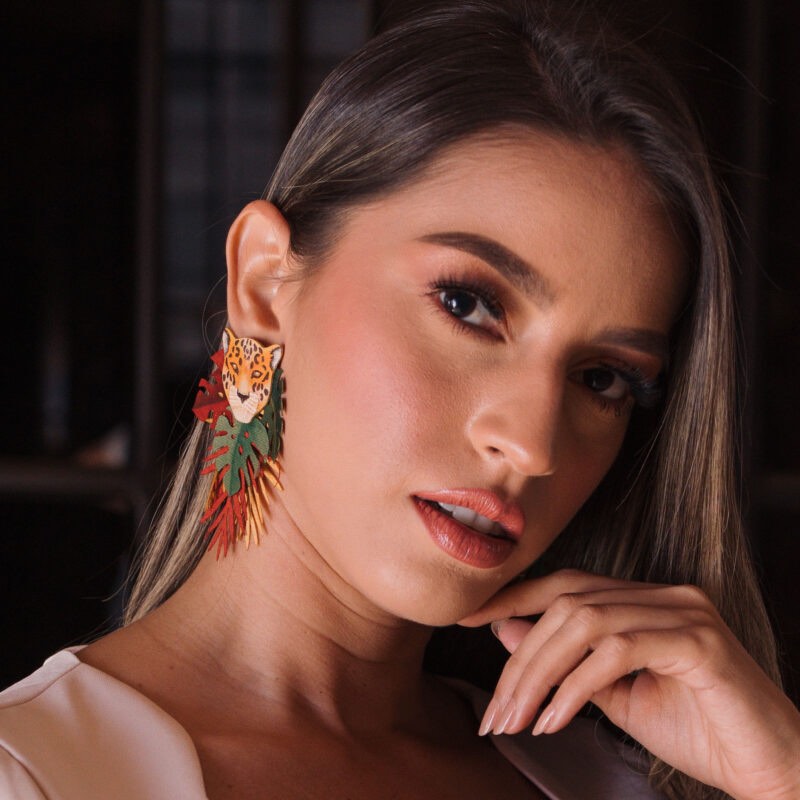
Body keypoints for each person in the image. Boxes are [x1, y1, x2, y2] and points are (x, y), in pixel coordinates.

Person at [2, 1, 799, 798]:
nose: (531, 445)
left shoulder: (617, 782)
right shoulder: (36, 774)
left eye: (602, 378)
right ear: (264, 286)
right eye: (467, 304)